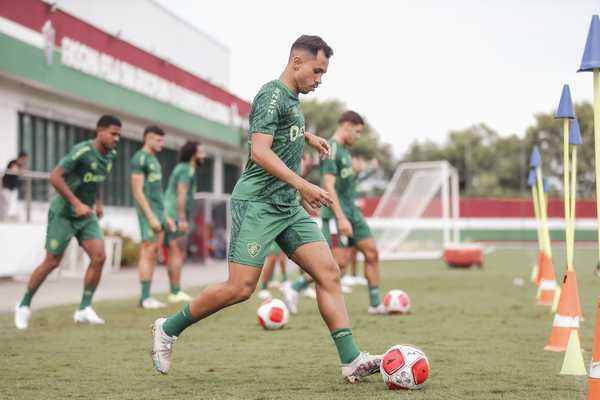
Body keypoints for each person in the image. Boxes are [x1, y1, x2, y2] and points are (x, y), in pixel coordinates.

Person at [151, 35, 381, 382]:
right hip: (257, 203)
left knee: (329, 272)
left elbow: (283, 128)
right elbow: (260, 150)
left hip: (287, 206)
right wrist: (304, 184)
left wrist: (307, 137)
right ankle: (167, 328)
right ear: (296, 62)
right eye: (317, 71)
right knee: (241, 289)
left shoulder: (291, 100)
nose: (319, 79)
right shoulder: (272, 93)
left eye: (323, 74)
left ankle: (351, 359)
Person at [14, 115, 121, 329]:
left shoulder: (110, 156)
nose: (116, 138)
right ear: (100, 132)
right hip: (63, 212)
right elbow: (55, 176)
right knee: (52, 262)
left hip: (86, 215)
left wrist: (98, 203)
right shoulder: (81, 151)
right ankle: (23, 305)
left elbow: (96, 179)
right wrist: (76, 203)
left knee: (99, 257)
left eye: (119, 134)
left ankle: (84, 308)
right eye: (113, 133)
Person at [285, 111, 386, 315]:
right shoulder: (329, 149)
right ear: (346, 126)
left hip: (353, 214)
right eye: (357, 132)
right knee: (336, 263)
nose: (358, 137)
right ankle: (294, 288)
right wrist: (340, 218)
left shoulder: (345, 152)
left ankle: (375, 304)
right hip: (336, 216)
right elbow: (328, 186)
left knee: (372, 253)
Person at [131, 125, 176, 309]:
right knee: (148, 250)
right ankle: (144, 297)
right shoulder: (139, 158)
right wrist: (150, 217)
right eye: (158, 140)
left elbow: (158, 192)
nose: (161, 143)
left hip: (159, 211)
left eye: (162, 140)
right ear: (148, 138)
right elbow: (137, 191)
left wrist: (166, 216)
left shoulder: (155, 161)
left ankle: (147, 296)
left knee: (155, 252)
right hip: (147, 212)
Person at [162, 141, 205, 303]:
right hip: (175, 215)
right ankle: (175, 291)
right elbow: (181, 193)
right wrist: (181, 219)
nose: (204, 155)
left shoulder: (187, 169)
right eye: (201, 152)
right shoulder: (186, 169)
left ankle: (174, 290)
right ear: (193, 154)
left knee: (177, 252)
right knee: (177, 252)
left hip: (173, 214)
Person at [1, 151, 28, 220]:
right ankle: (3, 218)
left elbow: (23, 172)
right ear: (21, 158)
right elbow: (15, 171)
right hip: (6, 187)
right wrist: (21, 170)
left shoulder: (21, 165)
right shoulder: (13, 162)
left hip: (12, 188)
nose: (25, 161)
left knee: (11, 203)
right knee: (5, 204)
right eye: (24, 159)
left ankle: (6, 217)